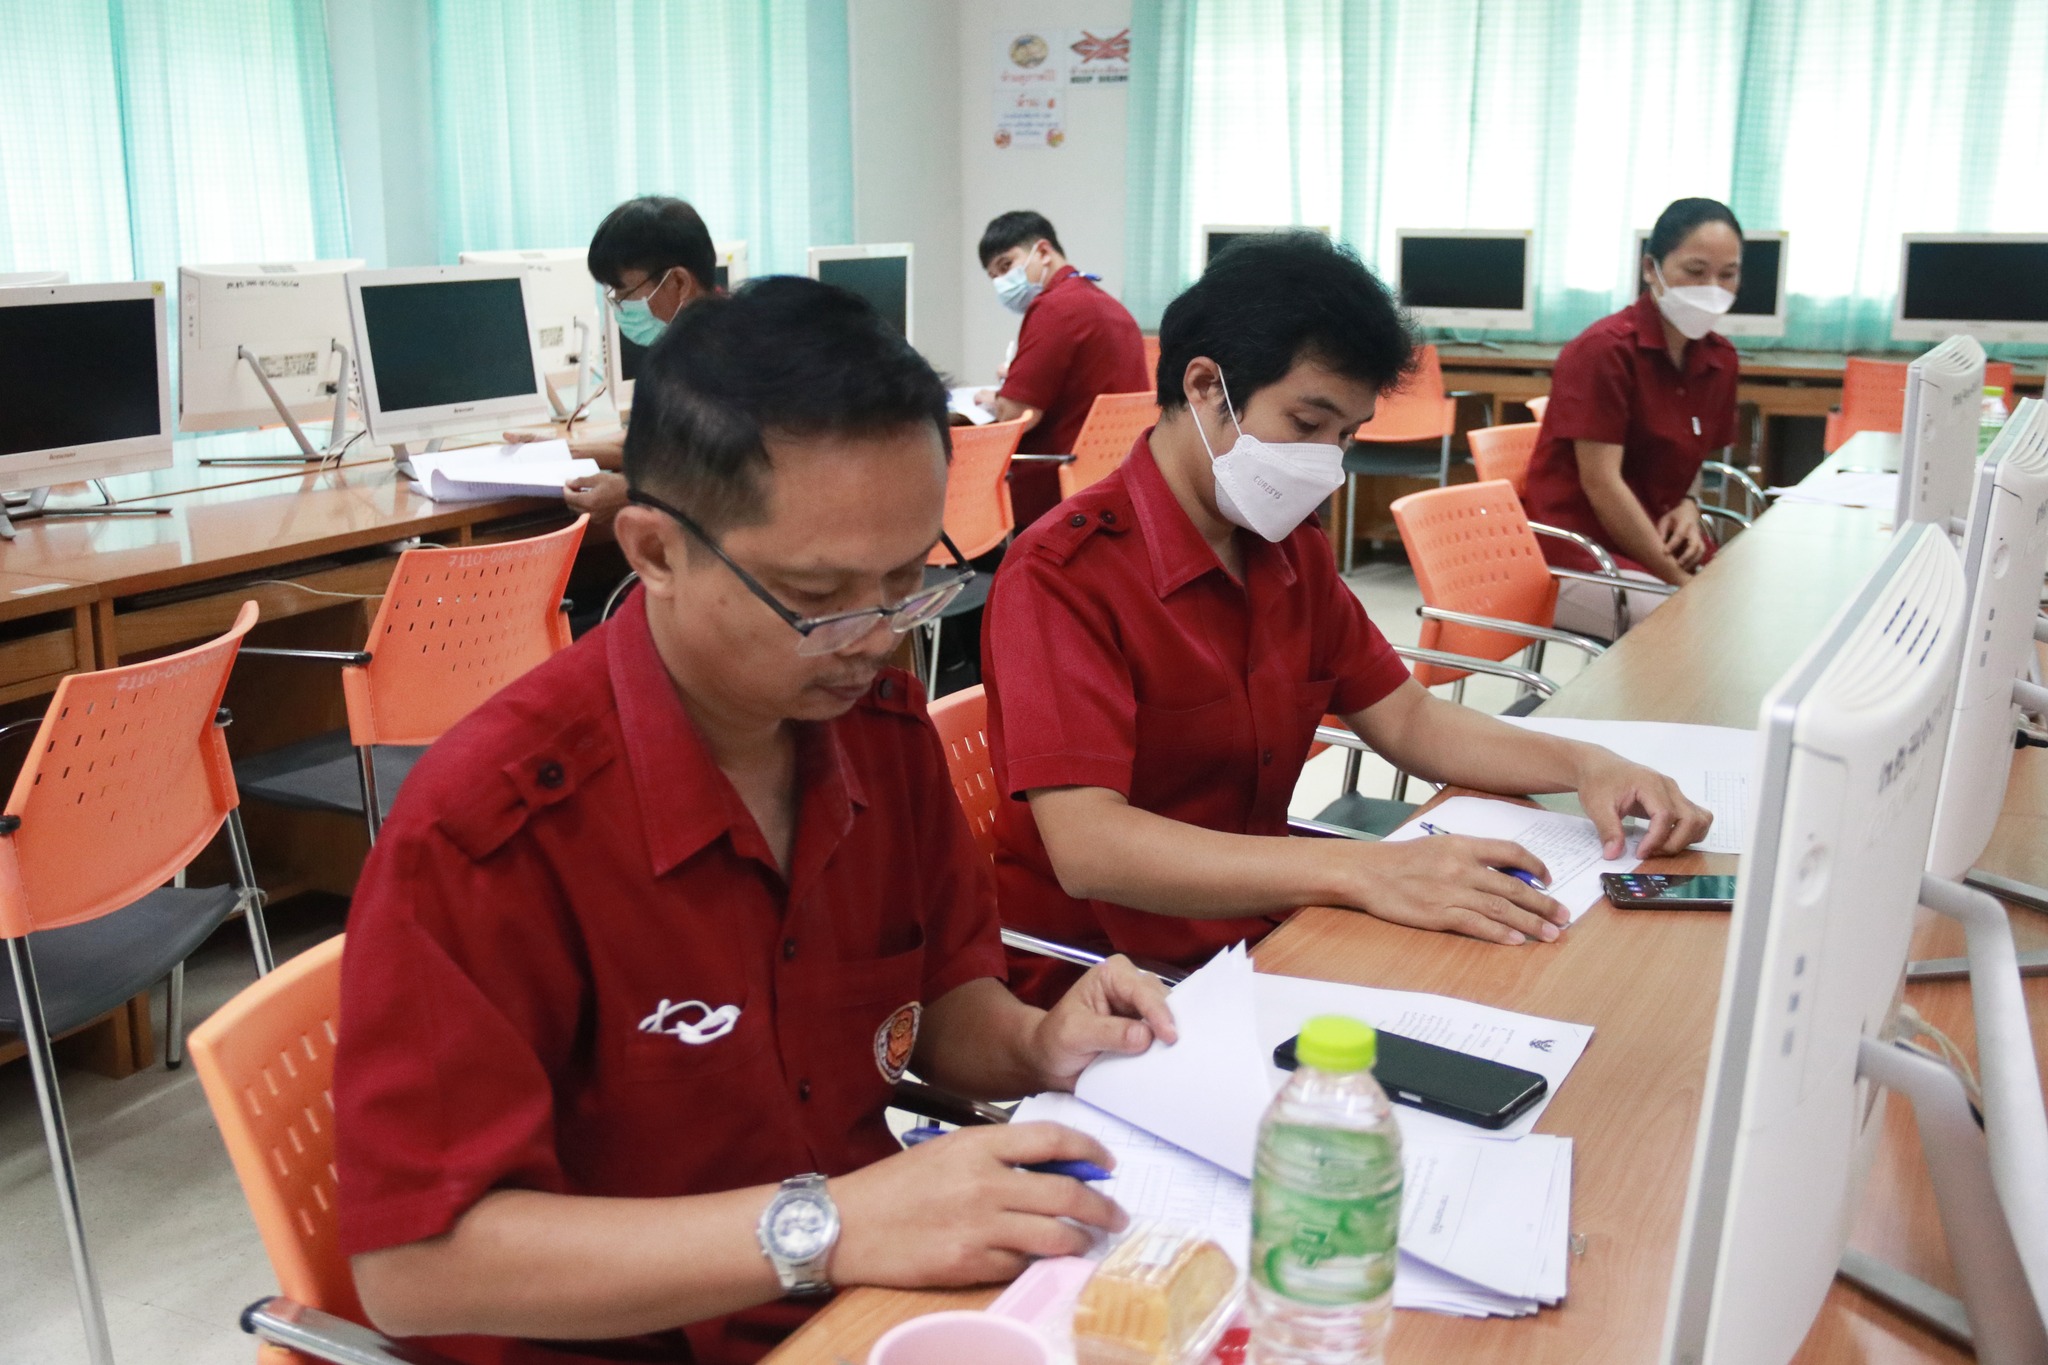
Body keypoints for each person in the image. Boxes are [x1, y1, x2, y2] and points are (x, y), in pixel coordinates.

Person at [337, 276, 1176, 1365]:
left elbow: (936, 1003)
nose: (875, 637)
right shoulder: (491, 828)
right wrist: (830, 1225)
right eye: (816, 598)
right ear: (653, 552)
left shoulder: (874, 727)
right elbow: (415, 1269)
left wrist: (1037, 1042)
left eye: (907, 579)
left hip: (850, 1310)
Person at [979, 233, 1714, 1006]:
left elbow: (1408, 717)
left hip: (1264, 933)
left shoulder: (1287, 548)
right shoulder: (1064, 575)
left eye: (1346, 435)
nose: (1326, 463)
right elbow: (1090, 846)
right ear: (1204, 387)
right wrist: (1363, 870)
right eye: (1307, 424)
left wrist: (1586, 765)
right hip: (1113, 986)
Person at [1522, 197, 1745, 637]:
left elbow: (1690, 457)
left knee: (1750, 608)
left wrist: (1689, 504)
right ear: (1650, 268)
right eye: (1695, 271)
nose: (1713, 288)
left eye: (1728, 275)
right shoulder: (1603, 351)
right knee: (1689, 627)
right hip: (1580, 552)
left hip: (1652, 541)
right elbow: (1602, 484)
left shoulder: (1719, 358)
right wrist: (1677, 579)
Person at [504, 195, 723, 523]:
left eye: (624, 292)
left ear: (678, 282)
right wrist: (557, 450)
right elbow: (659, 446)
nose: (618, 305)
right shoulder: (681, 351)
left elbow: (747, 478)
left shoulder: (738, 358)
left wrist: (633, 494)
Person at [975, 210, 1149, 527]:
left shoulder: (1055, 308)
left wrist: (998, 399)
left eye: (1006, 265)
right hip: (1113, 487)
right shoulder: (1109, 306)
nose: (1001, 282)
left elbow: (1018, 414)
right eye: (994, 277)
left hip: (1050, 493)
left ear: (1043, 251)